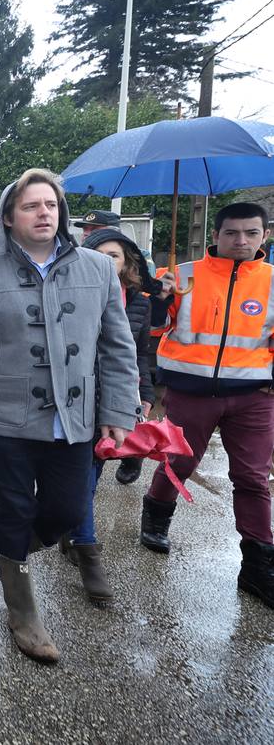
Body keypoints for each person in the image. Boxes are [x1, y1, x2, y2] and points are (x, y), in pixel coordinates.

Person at [0, 169, 139, 664]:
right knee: (12, 507)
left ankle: (12, 549)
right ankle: (22, 609)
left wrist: (118, 407)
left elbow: (117, 346)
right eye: (30, 206)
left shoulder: (97, 269)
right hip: (3, 420)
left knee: (68, 510)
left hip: (74, 417)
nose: (43, 213)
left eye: (50, 204)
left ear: (62, 212)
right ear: (9, 218)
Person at [142, 202, 274, 609]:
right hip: (189, 391)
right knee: (179, 462)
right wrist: (160, 300)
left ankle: (257, 565)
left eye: (251, 233)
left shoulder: (272, 281)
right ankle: (156, 516)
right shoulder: (182, 276)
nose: (241, 241)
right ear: (215, 236)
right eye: (232, 233)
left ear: (264, 236)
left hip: (255, 396)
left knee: (253, 478)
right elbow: (152, 328)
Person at [58, 227, 159, 604]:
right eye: (100, 254)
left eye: (114, 255)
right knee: (80, 475)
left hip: (114, 399)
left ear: (126, 262)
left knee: (92, 475)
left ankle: (73, 528)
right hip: (75, 395)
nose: (106, 261)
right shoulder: (69, 292)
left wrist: (145, 397)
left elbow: (138, 355)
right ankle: (89, 552)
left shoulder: (139, 302)